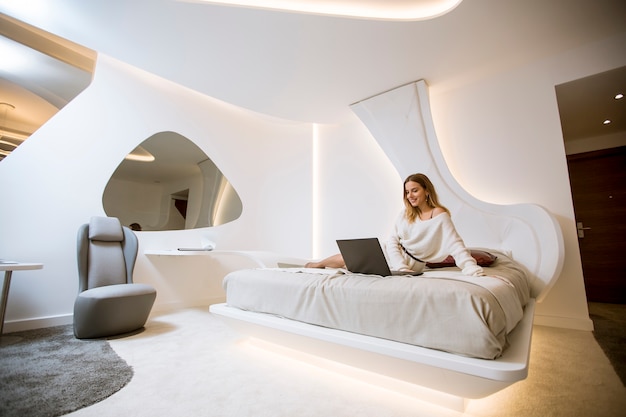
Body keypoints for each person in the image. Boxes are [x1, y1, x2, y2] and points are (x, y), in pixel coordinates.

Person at [305, 173, 485, 277]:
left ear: (427, 191)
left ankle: (319, 265)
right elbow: (392, 242)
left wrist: (471, 268)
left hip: (413, 264)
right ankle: (317, 265)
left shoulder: (439, 215)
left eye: (415, 190)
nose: (410, 196)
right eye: (407, 192)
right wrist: (400, 267)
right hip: (392, 255)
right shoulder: (405, 214)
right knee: (352, 257)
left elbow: (455, 245)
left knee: (354, 263)